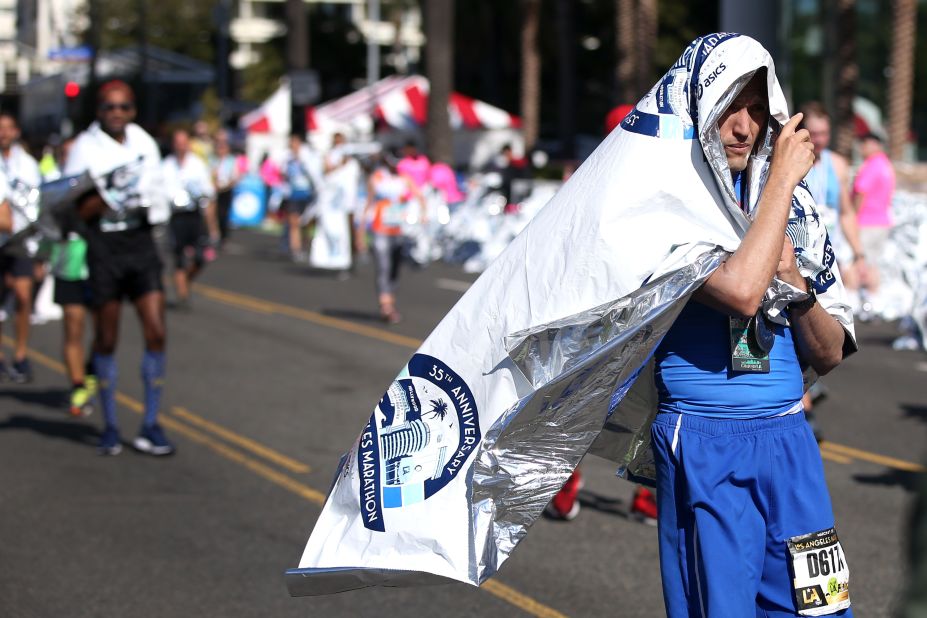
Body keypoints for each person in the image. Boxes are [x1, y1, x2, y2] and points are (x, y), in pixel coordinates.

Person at [649, 64, 855, 617]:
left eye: (757, 112)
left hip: (791, 444)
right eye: (727, 110)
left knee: (822, 609)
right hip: (705, 444)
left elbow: (831, 352)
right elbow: (741, 293)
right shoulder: (667, 204)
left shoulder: (799, 212)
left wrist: (796, 287)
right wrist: (783, 184)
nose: (743, 127)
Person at [64, 80, 173, 456]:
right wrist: (102, 201)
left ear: (133, 110)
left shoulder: (143, 142)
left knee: (157, 331)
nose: (117, 113)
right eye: (110, 107)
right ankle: (110, 425)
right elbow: (73, 203)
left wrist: (150, 203)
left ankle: (150, 423)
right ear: (99, 110)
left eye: (124, 107)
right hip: (104, 246)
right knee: (107, 338)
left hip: (140, 243)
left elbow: (160, 191)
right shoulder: (84, 148)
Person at [0, 112, 42, 383]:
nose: (3, 133)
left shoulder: (27, 164)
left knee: (24, 296)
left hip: (21, 238)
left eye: (7, 128)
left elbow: (37, 204)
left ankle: (21, 353)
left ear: (16, 131)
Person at [359, 154, 424, 324]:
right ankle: (386, 307)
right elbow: (368, 203)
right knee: (383, 267)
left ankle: (390, 303)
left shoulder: (404, 180)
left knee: (394, 269)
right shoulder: (377, 179)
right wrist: (360, 232)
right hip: (380, 231)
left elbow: (420, 196)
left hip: (398, 231)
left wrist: (423, 214)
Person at [162, 128, 216, 308]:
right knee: (178, 256)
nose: (181, 147)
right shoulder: (167, 166)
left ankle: (185, 279)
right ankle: (182, 294)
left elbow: (208, 190)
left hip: (194, 214)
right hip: (176, 216)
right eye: (178, 143)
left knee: (201, 256)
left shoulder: (197, 164)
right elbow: (161, 192)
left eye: (184, 143)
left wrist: (202, 198)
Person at [852, 132, 895, 303]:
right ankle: (874, 299)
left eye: (864, 144)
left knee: (859, 262)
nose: (862, 149)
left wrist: (852, 218)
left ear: (874, 144)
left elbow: (861, 191)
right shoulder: (885, 164)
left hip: (866, 221)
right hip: (881, 221)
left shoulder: (871, 165)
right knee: (872, 263)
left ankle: (862, 301)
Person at [281, 133, 323, 262]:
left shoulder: (308, 158)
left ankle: (305, 244)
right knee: (294, 222)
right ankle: (296, 249)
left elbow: (315, 175)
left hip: (308, 194)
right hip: (294, 194)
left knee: (307, 223)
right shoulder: (287, 159)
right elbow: (285, 175)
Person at [210, 129, 240, 246]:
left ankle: (224, 237)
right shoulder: (213, 160)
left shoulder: (231, 161)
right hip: (214, 190)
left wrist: (226, 186)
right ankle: (214, 235)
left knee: (223, 214)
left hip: (226, 190)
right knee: (213, 214)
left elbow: (235, 177)